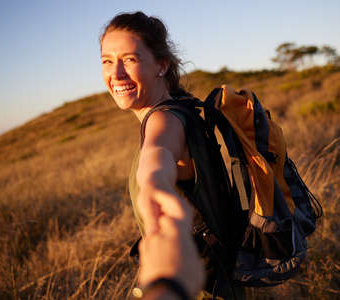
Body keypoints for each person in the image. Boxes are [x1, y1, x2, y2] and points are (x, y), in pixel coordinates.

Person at [100, 12, 244, 299]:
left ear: (161, 65)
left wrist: (155, 187)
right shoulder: (184, 107)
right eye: (107, 61)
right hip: (220, 281)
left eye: (130, 59)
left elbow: (159, 153)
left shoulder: (164, 121)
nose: (115, 74)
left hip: (198, 288)